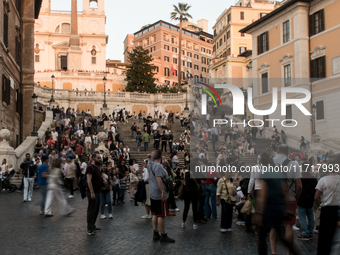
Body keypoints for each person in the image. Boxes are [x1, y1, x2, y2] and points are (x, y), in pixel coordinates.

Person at [253, 152, 296, 255]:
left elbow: (262, 196)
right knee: (280, 235)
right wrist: (288, 208)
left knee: (262, 237)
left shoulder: (263, 174)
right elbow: (285, 192)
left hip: (268, 208)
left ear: (261, 162)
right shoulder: (279, 173)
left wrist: (258, 213)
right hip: (279, 207)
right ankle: (294, 252)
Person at [271, 144, 302, 255]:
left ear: (277, 150)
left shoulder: (270, 162)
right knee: (288, 226)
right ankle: (289, 253)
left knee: (274, 226)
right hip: (290, 198)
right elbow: (299, 186)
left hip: (273, 198)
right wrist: (296, 198)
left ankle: (274, 252)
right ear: (288, 152)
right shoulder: (294, 164)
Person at [315, 153, 340, 255]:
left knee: (325, 236)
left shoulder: (323, 180)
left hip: (326, 209)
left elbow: (316, 196)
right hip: (338, 209)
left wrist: (320, 204)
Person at [148, 149, 175, 243]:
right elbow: (159, 179)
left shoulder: (149, 163)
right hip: (159, 193)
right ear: (161, 156)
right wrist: (163, 192)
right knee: (161, 215)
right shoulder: (158, 166)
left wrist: (151, 155)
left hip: (152, 192)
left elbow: (149, 157)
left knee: (154, 213)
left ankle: (155, 233)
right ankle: (163, 235)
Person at [297, 163, 317, 240]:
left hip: (301, 199)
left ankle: (304, 233)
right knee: (311, 216)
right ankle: (310, 232)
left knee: (302, 217)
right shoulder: (313, 179)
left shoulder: (300, 178)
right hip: (310, 200)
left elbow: (298, 187)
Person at [86, 153, 103, 236]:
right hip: (92, 192)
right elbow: (89, 180)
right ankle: (89, 228)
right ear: (93, 158)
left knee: (96, 209)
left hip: (98, 191)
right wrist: (92, 192)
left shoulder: (97, 168)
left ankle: (93, 224)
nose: (100, 159)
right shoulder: (90, 168)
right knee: (91, 210)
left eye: (100, 158)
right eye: (98, 158)